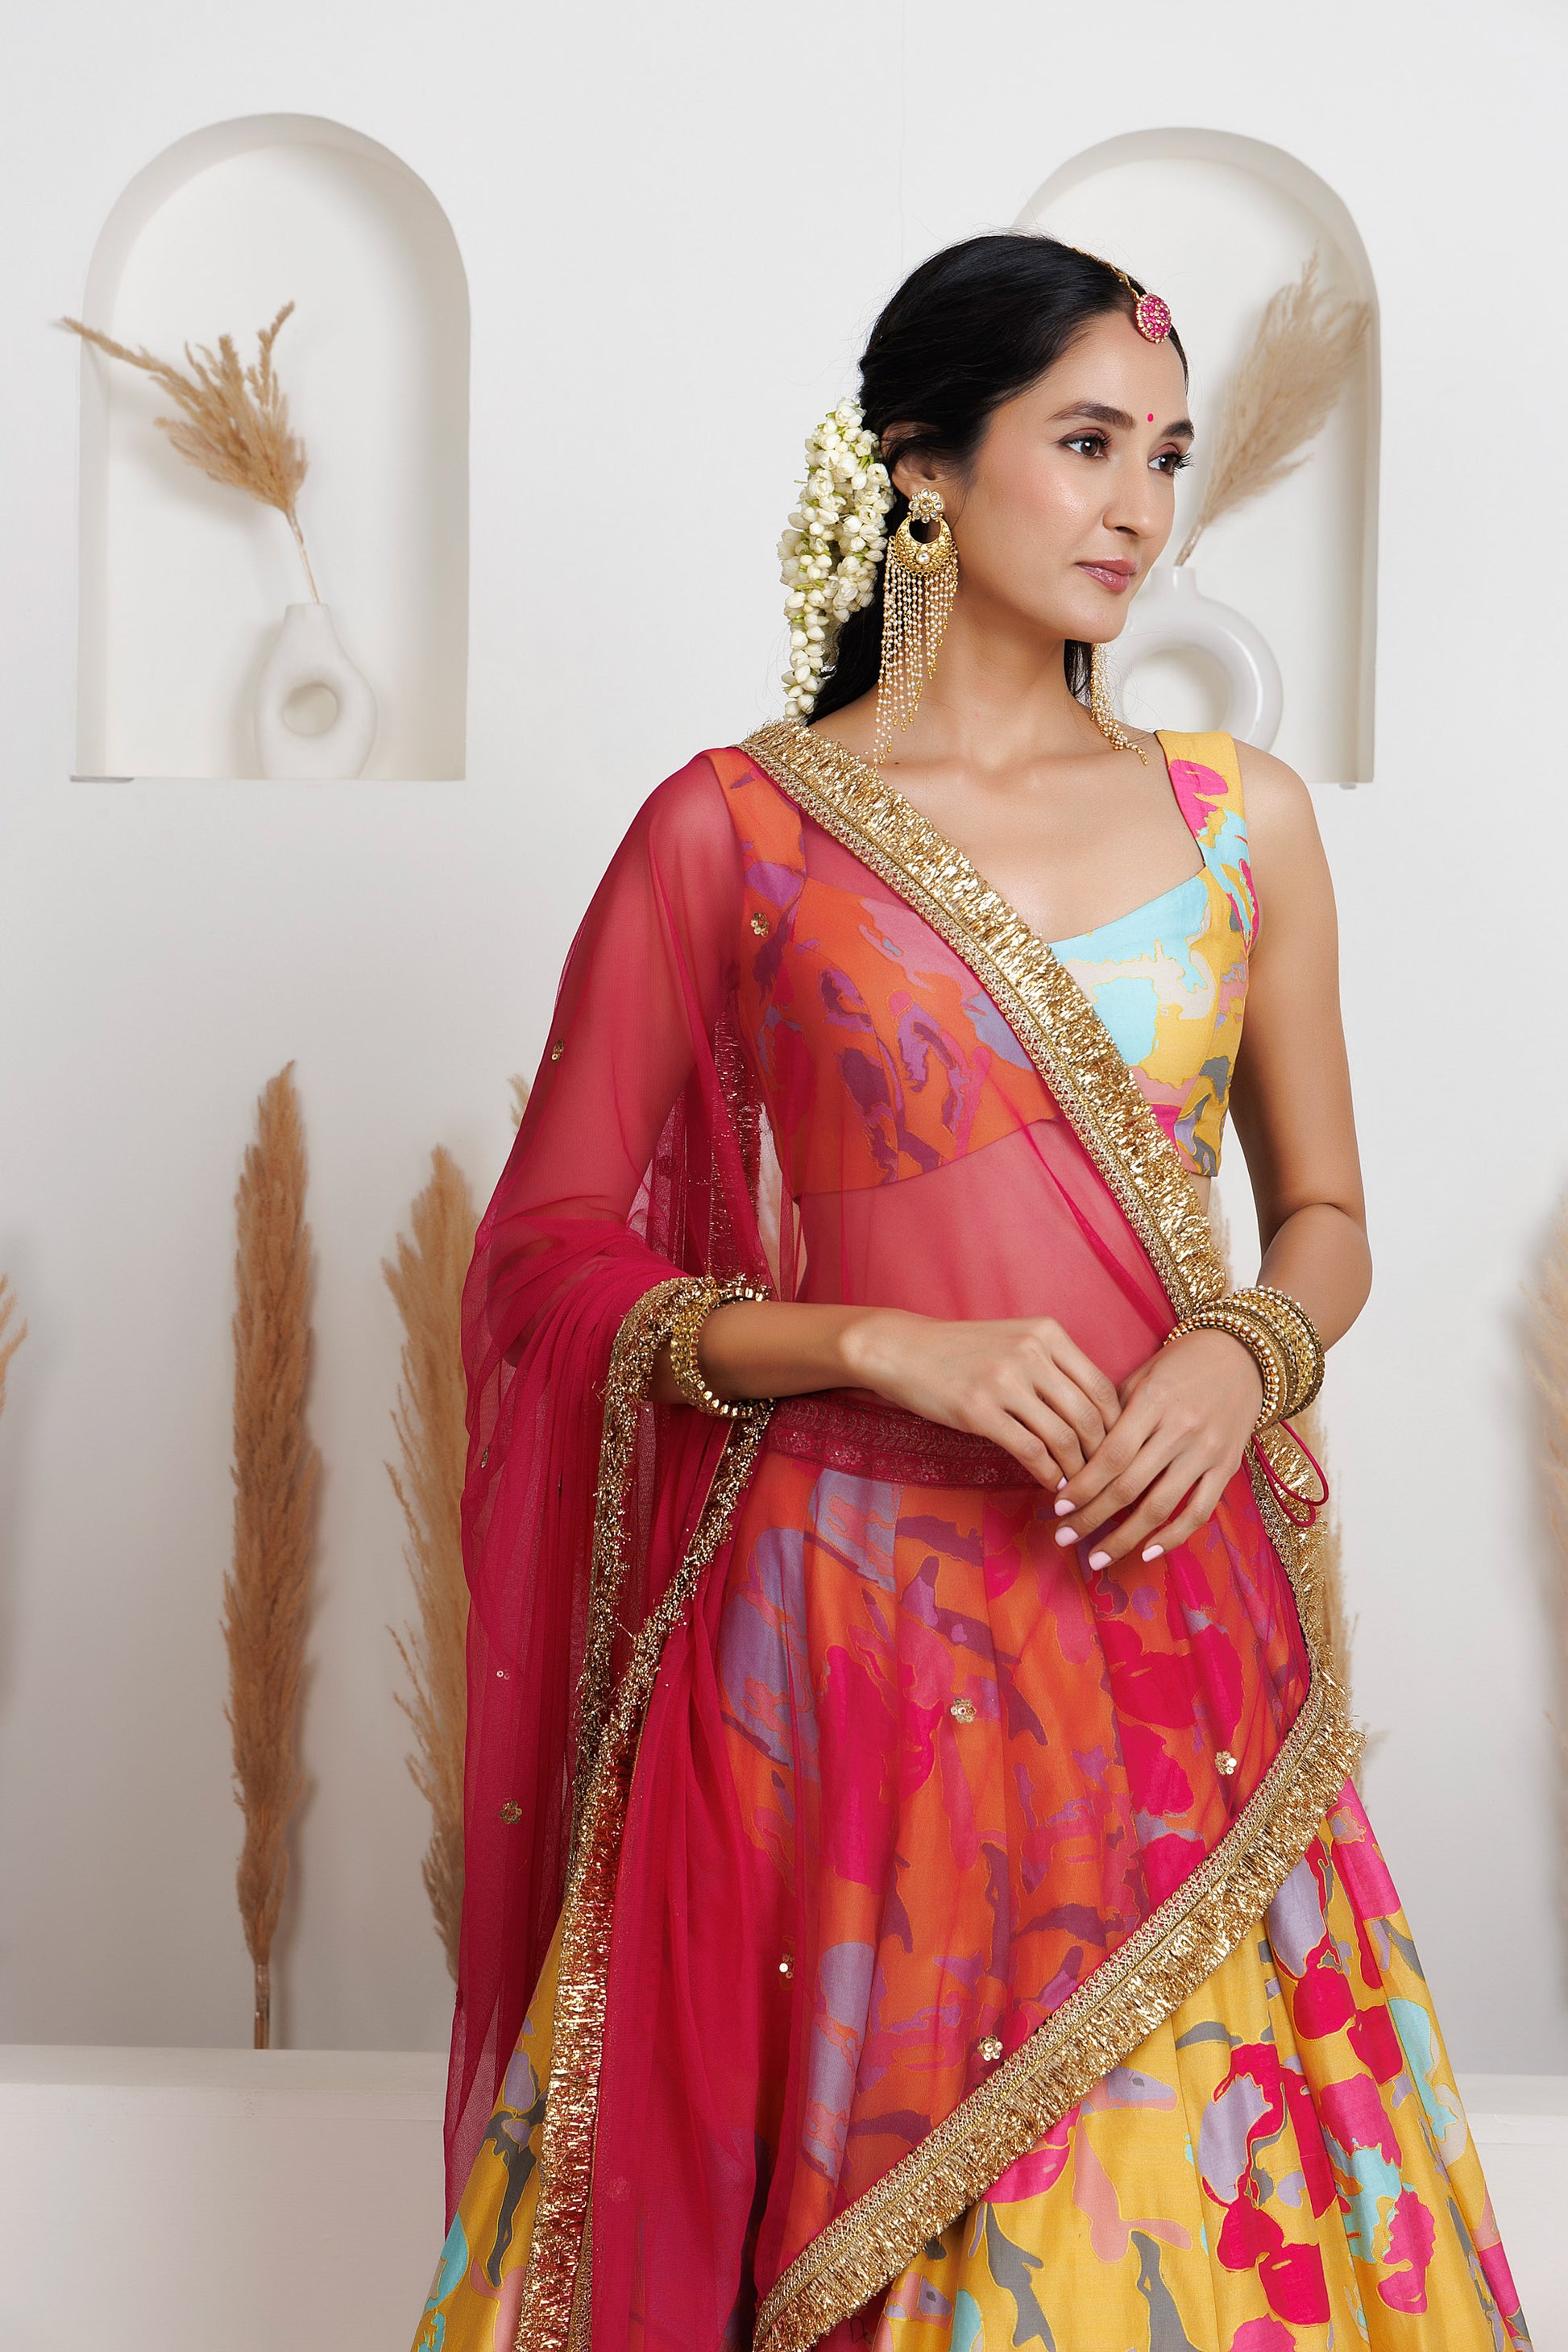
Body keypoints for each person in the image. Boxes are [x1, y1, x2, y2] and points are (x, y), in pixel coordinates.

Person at [413, 234, 1528, 2351]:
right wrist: (867, 1340)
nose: (1137, 508)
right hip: (832, 1644)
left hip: (1157, 1608)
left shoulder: (1240, 824)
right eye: (1086, 443)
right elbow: (546, 1256)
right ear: (923, 467)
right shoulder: (736, 831)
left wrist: (1244, 1350)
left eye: (1166, 458)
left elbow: (1326, 1215)